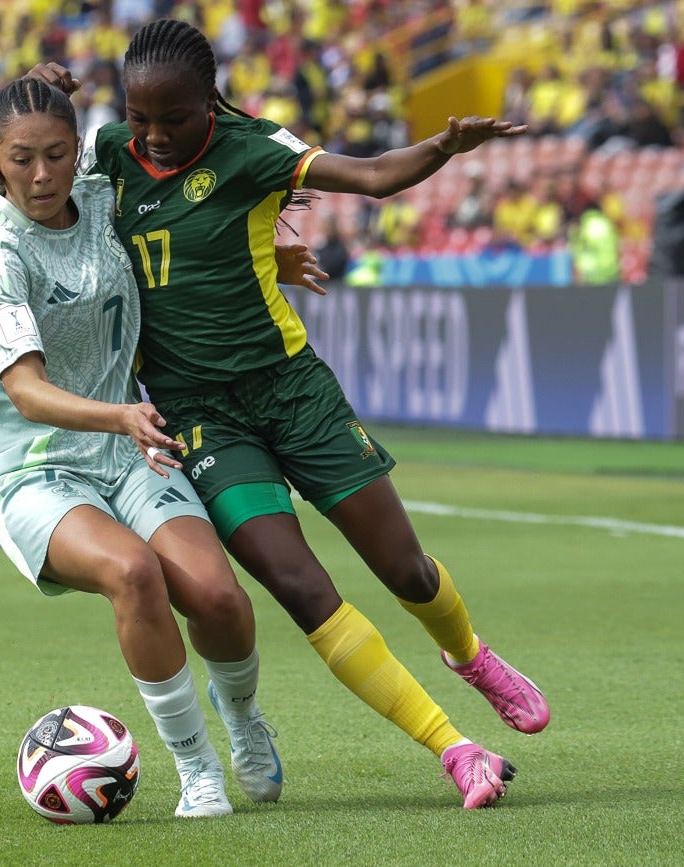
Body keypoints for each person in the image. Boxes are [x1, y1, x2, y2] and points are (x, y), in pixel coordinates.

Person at [30, 18, 550, 810]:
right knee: (304, 589)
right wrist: (42, 92)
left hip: (292, 391)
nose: (156, 135)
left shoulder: (253, 149)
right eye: (141, 117)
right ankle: (455, 748)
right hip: (200, 417)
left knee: (405, 569)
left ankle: (471, 655)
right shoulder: (105, 151)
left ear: (211, 101)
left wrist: (442, 147)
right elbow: (25, 161)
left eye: (174, 117)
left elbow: (373, 176)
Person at [0, 77, 283, 819]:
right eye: (22, 159)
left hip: (126, 442)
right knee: (134, 574)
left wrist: (266, 257)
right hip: (30, 465)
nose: (42, 175)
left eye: (57, 154)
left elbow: (186, 175)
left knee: (218, 596)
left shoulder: (100, 190)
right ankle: (197, 770)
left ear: (78, 151)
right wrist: (121, 416)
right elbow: (28, 392)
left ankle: (244, 719)